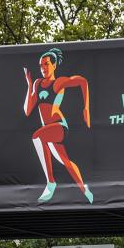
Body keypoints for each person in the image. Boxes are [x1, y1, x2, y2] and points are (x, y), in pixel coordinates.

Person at [22, 48, 93, 203]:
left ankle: (51, 182)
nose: (43, 68)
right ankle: (85, 189)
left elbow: (82, 81)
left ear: (54, 65)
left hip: (59, 126)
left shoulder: (58, 82)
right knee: (65, 162)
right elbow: (27, 110)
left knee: (37, 136)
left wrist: (86, 108)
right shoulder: (37, 83)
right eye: (41, 66)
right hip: (47, 130)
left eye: (46, 64)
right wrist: (29, 85)